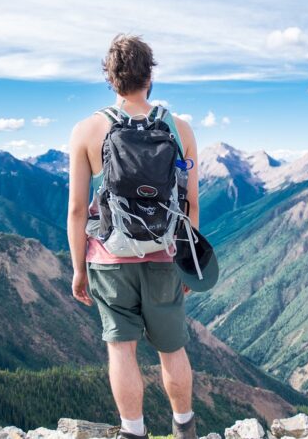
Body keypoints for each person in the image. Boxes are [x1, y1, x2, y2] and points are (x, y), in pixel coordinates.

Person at [66, 33, 200, 439]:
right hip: (164, 254)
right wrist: (189, 262)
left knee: (121, 349)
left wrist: (78, 270)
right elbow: (191, 204)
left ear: (110, 78)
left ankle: (133, 432)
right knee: (171, 349)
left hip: (109, 259)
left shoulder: (88, 130)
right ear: (150, 75)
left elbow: (75, 210)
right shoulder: (178, 129)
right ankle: (184, 428)